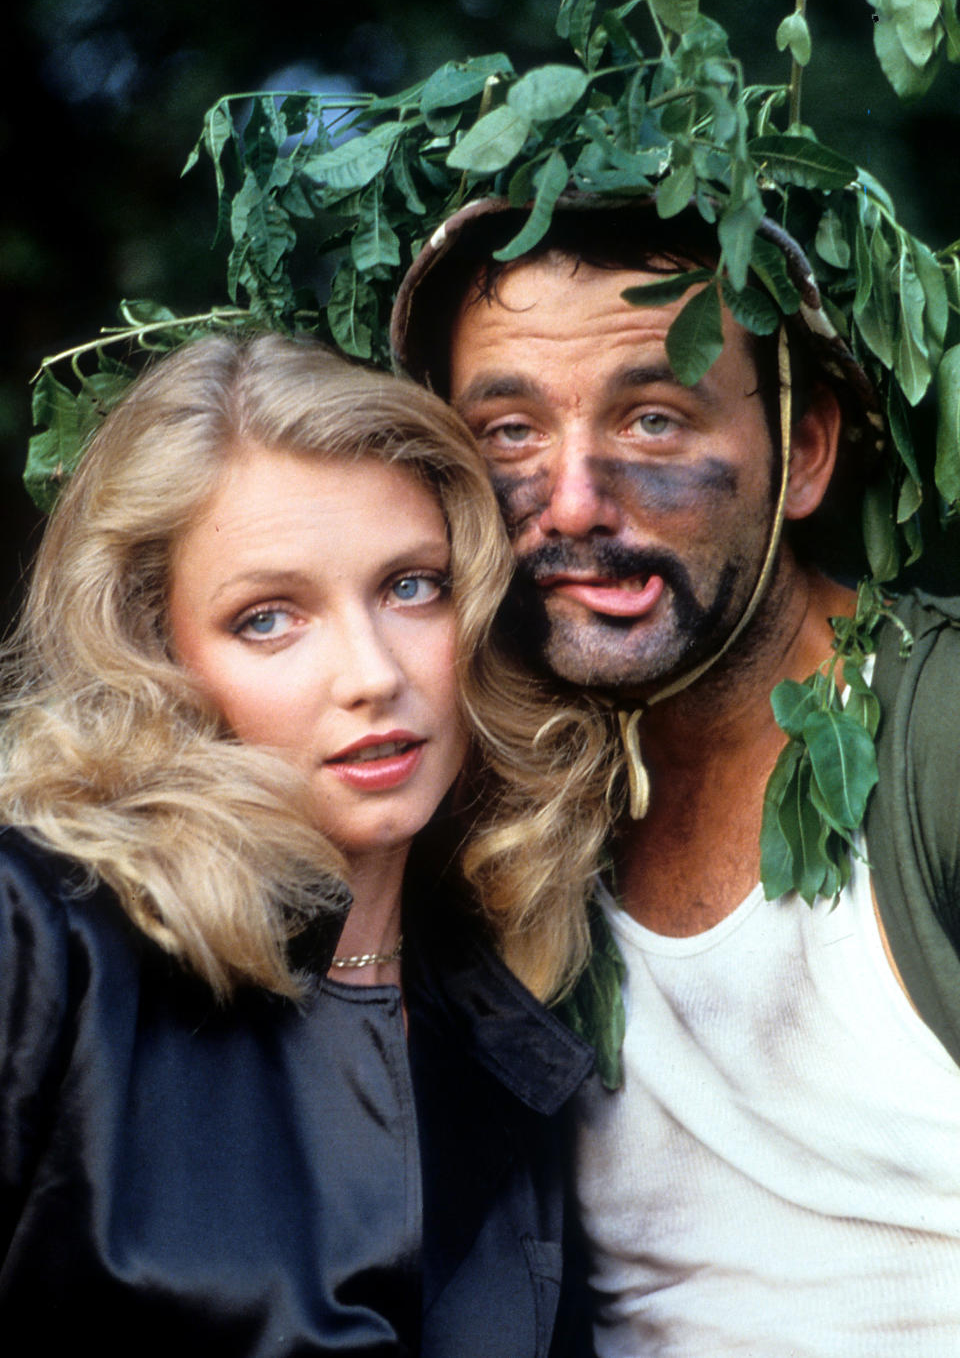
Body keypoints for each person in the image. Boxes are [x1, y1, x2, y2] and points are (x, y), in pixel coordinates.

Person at [389, 199, 960, 1355]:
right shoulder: (457, 798)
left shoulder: (936, 736)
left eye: (652, 420)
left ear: (802, 454)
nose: (574, 503)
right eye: (506, 432)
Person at [0, 330, 619, 1355]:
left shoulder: (513, 1041)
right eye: (269, 618)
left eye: (411, 586)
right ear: (156, 653)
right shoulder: (40, 935)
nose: (372, 672)